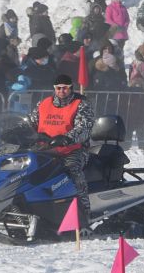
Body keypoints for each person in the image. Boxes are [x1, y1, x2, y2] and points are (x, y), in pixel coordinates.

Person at [27, 74, 96, 222]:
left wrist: (67, 138)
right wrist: (14, 132)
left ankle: (84, 212)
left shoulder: (81, 104)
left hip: (72, 150)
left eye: (65, 88)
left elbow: (84, 127)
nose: (61, 91)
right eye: (58, 88)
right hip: (44, 149)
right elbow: (30, 123)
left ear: (71, 88)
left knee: (73, 171)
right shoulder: (43, 104)